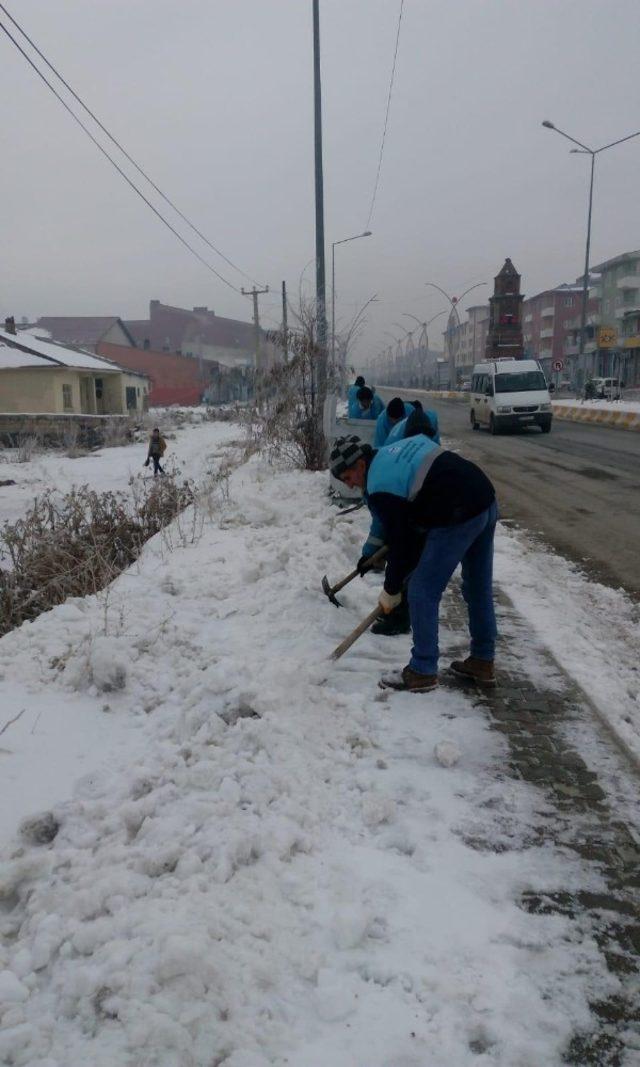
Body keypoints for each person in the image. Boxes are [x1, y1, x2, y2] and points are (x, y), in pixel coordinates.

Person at [329, 434, 498, 692]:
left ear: (360, 465)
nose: (350, 486)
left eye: (349, 478)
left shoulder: (380, 484)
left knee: (422, 590)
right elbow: (393, 522)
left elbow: (403, 544)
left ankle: (422, 670)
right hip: (484, 497)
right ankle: (483, 660)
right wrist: (371, 554)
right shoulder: (388, 455)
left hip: (458, 511)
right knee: (477, 587)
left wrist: (391, 589)